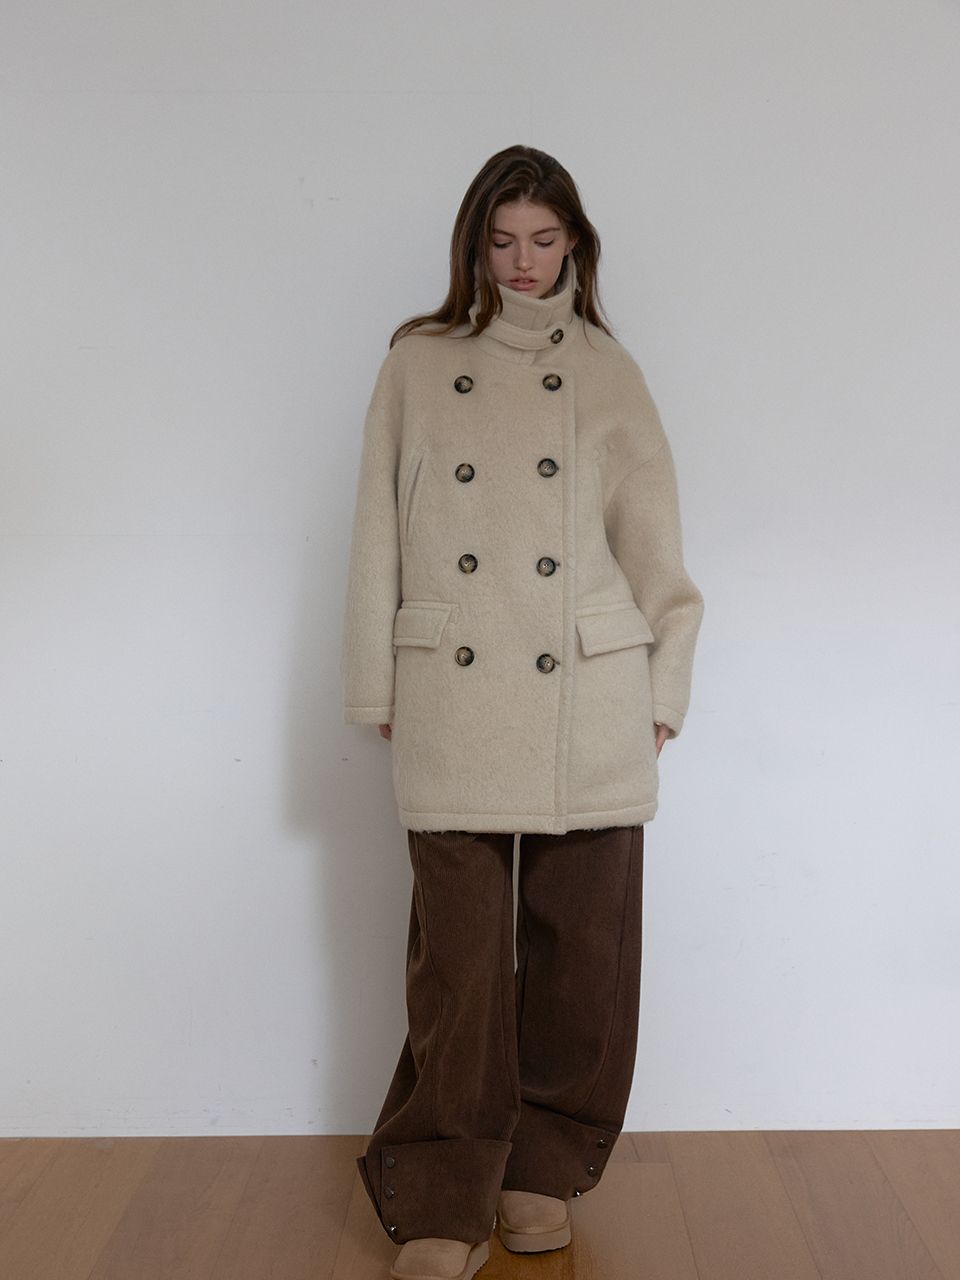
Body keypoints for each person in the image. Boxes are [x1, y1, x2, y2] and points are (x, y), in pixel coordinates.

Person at [340, 144, 704, 1280]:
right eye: (501, 242)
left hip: (588, 691)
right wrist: (376, 681)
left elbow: (655, 548)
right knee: (456, 965)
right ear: (472, 246)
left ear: (576, 243)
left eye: (544, 240)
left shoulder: (609, 371)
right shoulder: (417, 362)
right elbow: (376, 535)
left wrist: (664, 689)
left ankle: (541, 1167)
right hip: (452, 686)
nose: (523, 262)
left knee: (581, 950)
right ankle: (444, 1193)